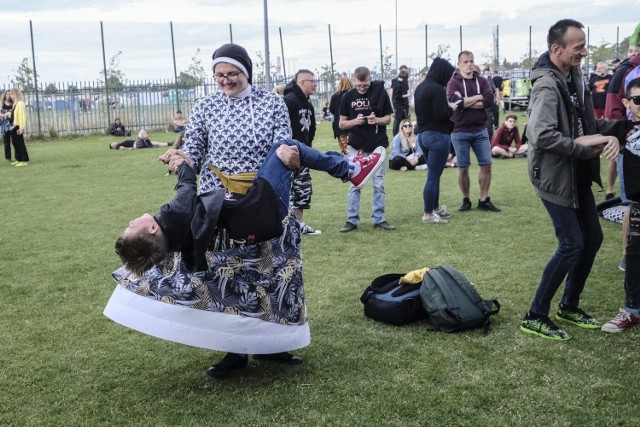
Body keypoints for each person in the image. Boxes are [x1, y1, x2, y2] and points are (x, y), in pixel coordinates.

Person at [104, 43, 311, 380]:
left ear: (246, 72)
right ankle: (234, 349)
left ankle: (274, 344)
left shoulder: (273, 103)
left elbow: (282, 145)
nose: (225, 81)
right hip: (217, 209)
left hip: (264, 201)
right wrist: (181, 159)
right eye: (219, 76)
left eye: (232, 74)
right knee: (227, 278)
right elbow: (195, 149)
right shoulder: (205, 107)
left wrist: (291, 160)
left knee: (273, 274)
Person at [116, 138, 384, 275]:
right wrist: (182, 164)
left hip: (258, 219)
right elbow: (186, 189)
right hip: (263, 207)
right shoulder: (173, 217)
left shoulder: (174, 243)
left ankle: (349, 164)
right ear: (152, 228)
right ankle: (351, 169)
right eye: (131, 227)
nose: (130, 221)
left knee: (280, 150)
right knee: (283, 146)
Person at [519, 19, 619, 341]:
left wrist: (612, 129)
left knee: (593, 239)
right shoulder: (546, 85)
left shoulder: (574, 75)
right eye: (578, 47)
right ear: (556, 49)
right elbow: (540, 135)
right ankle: (535, 315)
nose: (584, 53)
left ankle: (569, 305)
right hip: (554, 176)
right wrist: (582, 147)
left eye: (584, 46)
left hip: (576, 173)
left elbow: (584, 122)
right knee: (572, 243)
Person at [601, 77, 640, 332]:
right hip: (637, 203)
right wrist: (612, 139)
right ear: (626, 102)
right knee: (635, 255)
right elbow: (589, 130)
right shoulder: (623, 129)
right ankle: (632, 310)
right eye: (638, 100)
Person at [338, 66, 396, 232]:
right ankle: (352, 220)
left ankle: (379, 218)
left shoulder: (379, 92)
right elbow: (341, 123)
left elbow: (388, 119)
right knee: (354, 184)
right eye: (359, 85)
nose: (362, 88)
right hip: (357, 147)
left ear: (370, 79)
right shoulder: (348, 96)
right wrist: (355, 121)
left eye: (365, 85)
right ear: (354, 80)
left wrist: (376, 120)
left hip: (377, 146)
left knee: (379, 184)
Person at [447, 50, 501, 212]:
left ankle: (484, 199)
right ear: (459, 64)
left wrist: (464, 101)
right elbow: (454, 102)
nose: (469, 64)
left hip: (480, 130)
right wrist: (478, 98)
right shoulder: (453, 82)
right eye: (465, 61)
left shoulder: (482, 80)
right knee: (463, 167)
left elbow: (489, 101)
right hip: (459, 130)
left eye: (471, 61)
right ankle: (466, 199)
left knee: (487, 164)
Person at [414, 57, 459, 224]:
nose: (448, 79)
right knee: (433, 176)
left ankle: (435, 208)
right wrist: (453, 107)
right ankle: (428, 214)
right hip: (438, 136)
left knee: (435, 174)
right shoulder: (437, 89)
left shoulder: (420, 88)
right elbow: (442, 114)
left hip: (423, 136)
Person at [604, 26, 640, 200]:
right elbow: (612, 111)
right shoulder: (627, 70)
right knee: (632, 206)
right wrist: (628, 136)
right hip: (632, 144)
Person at [283, 69, 320, 235]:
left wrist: (306, 147)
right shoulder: (289, 101)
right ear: (302, 82)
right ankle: (288, 226)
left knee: (302, 189)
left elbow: (311, 128)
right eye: (312, 81)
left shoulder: (308, 104)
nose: (315, 84)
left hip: (303, 153)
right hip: (289, 154)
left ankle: (299, 224)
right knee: (289, 189)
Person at [329, 76, 353, 155]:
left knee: (344, 148)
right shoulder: (353, 95)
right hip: (351, 123)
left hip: (339, 124)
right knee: (353, 146)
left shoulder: (334, 96)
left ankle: (346, 163)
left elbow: (331, 109)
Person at [5, 88, 29, 167]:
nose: (10, 96)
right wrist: (6, 114)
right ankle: (18, 159)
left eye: (11, 94)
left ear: (15, 94)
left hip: (18, 126)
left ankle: (24, 160)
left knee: (20, 143)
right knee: (15, 143)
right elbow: (13, 114)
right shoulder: (15, 104)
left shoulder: (20, 103)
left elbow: (22, 116)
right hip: (13, 126)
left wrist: (21, 128)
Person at [391, 65, 410, 135]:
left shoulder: (403, 83)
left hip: (403, 103)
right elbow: (396, 96)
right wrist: (406, 95)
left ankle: (404, 133)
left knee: (404, 119)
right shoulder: (398, 84)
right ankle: (395, 134)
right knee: (398, 119)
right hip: (398, 104)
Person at [108, 129, 173, 150]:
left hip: (137, 143)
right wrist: (128, 149)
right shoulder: (117, 146)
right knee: (142, 131)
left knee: (154, 142)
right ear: (113, 146)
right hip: (136, 144)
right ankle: (150, 145)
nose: (114, 142)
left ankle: (170, 144)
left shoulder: (120, 143)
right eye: (112, 143)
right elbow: (121, 148)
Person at [1, 91, 13, 163]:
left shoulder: (13, 103)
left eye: (9, 94)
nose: (8, 95)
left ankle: (18, 156)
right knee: (6, 142)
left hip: (12, 123)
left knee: (15, 141)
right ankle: (8, 157)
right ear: (5, 95)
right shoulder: (1, 102)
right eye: (7, 94)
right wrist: (4, 114)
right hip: (5, 124)